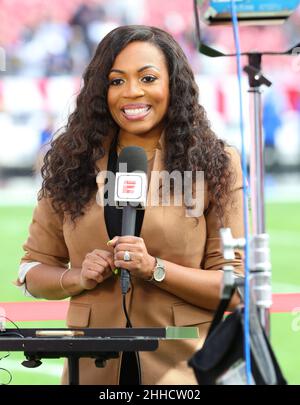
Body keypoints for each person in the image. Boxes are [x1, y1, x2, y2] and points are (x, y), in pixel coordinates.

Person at [17, 25, 244, 385]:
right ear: (100, 90)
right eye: (117, 81)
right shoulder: (69, 162)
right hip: (90, 371)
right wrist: (76, 277)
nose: (132, 92)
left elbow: (236, 287)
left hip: (182, 372)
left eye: (148, 77)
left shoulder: (215, 162)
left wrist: (154, 268)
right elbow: (32, 270)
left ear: (174, 84)